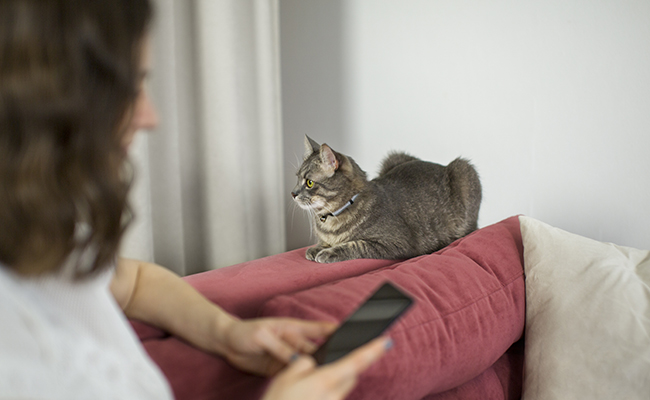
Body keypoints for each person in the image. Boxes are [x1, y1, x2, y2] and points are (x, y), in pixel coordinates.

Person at [0, 0, 391, 399]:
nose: (150, 116)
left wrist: (228, 333)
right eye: (129, 89)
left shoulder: (37, 238)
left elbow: (133, 282)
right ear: (42, 100)